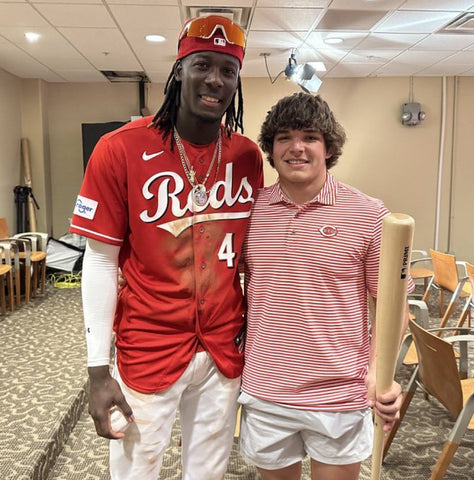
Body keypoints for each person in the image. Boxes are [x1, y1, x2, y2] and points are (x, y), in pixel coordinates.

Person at [69, 15, 263, 480]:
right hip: (149, 344)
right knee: (136, 470)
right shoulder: (120, 149)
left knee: (209, 472)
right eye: (202, 64)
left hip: (221, 347)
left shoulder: (246, 156)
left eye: (228, 69)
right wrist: (98, 371)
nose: (215, 79)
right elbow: (98, 261)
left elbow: (251, 258)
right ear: (179, 70)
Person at [238, 92, 412, 480]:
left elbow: (392, 304)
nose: (296, 147)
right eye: (283, 136)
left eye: (310, 137)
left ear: (328, 147)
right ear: (270, 147)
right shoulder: (248, 211)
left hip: (339, 395)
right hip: (267, 390)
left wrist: (378, 371)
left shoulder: (368, 214)